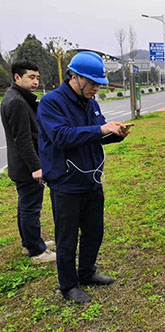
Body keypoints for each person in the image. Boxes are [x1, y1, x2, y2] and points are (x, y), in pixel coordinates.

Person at [37, 51, 131, 304]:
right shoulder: (51, 103)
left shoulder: (91, 103)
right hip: (66, 182)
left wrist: (114, 135)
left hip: (91, 180)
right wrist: (99, 128)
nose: (95, 89)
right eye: (92, 83)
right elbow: (62, 136)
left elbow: (94, 136)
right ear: (75, 77)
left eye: (98, 84)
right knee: (66, 238)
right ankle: (69, 286)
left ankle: (87, 272)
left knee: (94, 231)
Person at [1, 61, 56, 262]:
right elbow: (22, 140)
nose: (35, 82)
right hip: (26, 166)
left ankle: (29, 243)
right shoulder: (16, 102)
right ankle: (37, 251)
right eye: (31, 77)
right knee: (31, 208)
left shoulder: (15, 97)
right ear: (17, 77)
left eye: (37, 78)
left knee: (25, 206)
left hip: (20, 165)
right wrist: (36, 167)